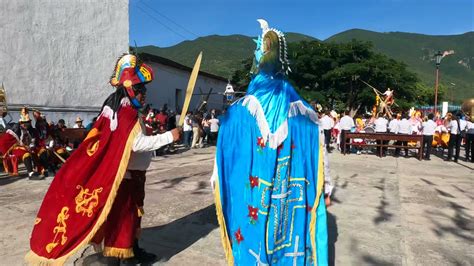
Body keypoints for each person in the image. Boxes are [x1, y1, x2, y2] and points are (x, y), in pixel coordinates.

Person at [26, 53, 180, 265]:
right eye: (140, 89)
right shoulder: (125, 111)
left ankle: (133, 250)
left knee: (134, 216)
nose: (144, 94)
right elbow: (134, 144)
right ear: (128, 88)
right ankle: (121, 258)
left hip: (133, 176)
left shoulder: (124, 109)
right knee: (124, 218)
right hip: (124, 177)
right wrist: (168, 136)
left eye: (144, 90)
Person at [211, 19, 328, 265]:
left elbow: (224, 156)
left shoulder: (241, 110)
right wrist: (326, 187)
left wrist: (216, 177)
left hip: (255, 195)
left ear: (261, 56)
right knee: (288, 241)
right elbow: (319, 150)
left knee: (255, 238)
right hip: (289, 196)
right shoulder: (303, 110)